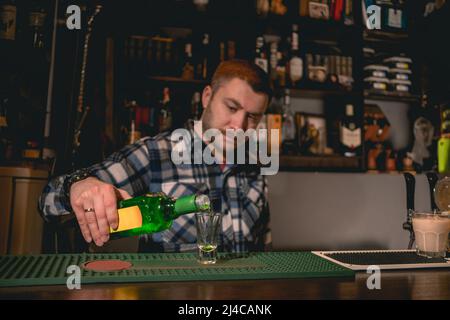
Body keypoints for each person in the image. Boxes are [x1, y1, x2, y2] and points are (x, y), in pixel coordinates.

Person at [39, 59, 273, 253]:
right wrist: (79, 187)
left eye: (252, 116)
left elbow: (264, 248)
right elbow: (47, 201)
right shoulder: (155, 154)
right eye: (231, 108)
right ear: (207, 97)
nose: (239, 125)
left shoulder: (255, 166)